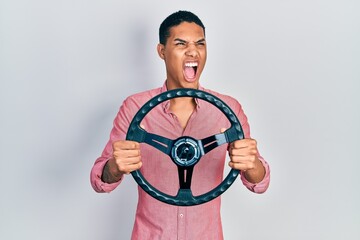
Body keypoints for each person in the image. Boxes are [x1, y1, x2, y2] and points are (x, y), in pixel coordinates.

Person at [90, 10, 270, 239]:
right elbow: (99, 180)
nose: (193, 51)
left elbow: (260, 182)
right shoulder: (135, 107)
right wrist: (114, 166)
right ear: (162, 51)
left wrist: (251, 163)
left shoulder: (228, 110)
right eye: (181, 44)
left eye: (200, 44)